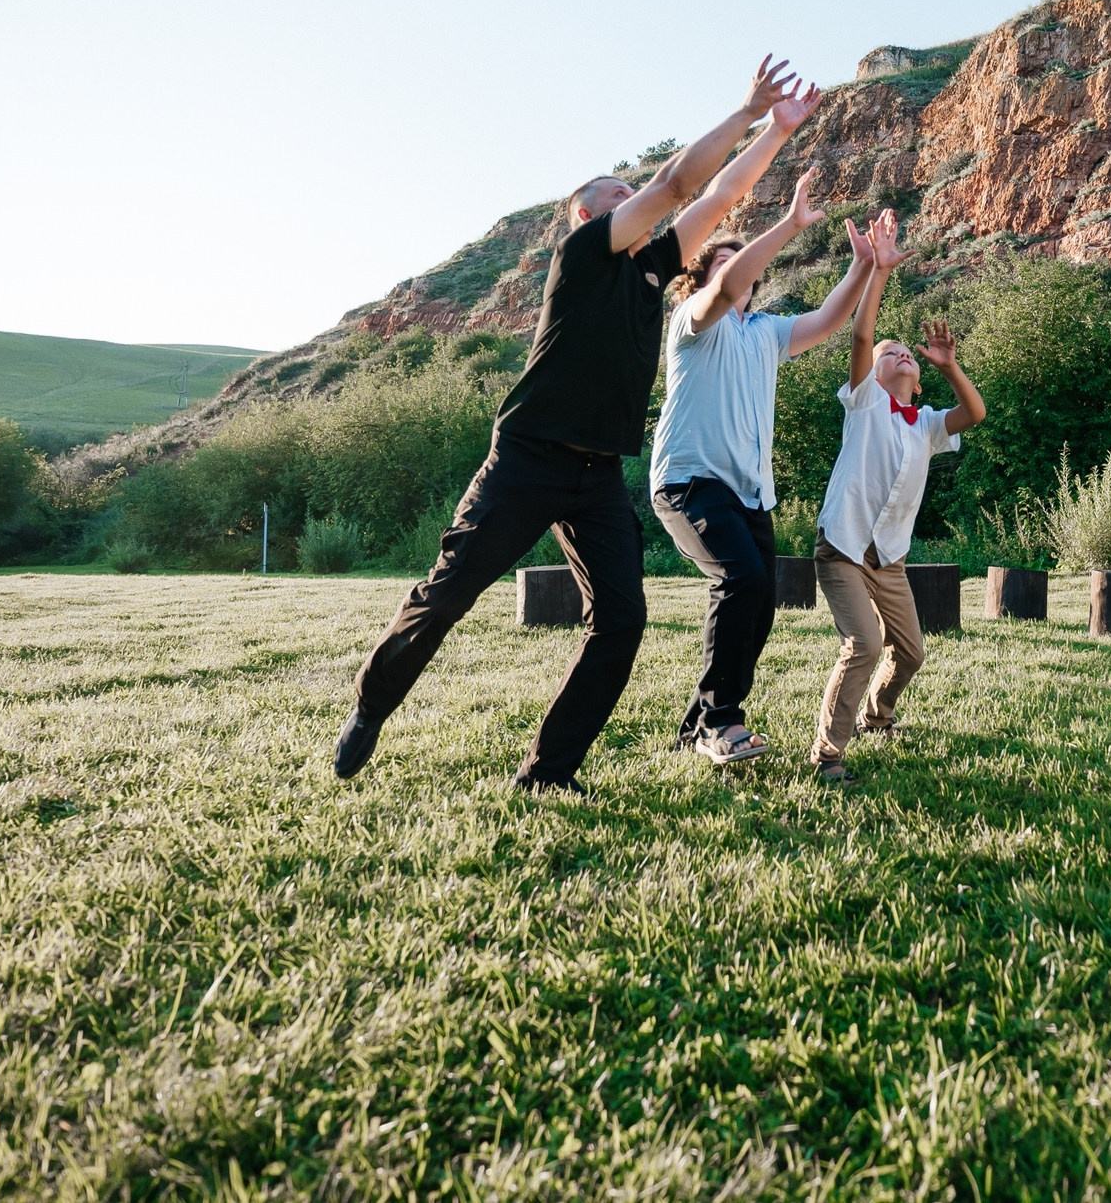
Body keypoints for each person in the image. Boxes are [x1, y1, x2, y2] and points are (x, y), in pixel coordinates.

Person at [331, 58, 822, 793]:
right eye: (618, 192)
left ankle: (547, 773)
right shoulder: (582, 253)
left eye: (632, 190)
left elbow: (721, 193)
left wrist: (776, 133)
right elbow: (678, 185)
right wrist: (747, 109)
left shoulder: (655, 266)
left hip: (597, 476)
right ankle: (373, 702)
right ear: (593, 216)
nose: (636, 196)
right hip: (526, 459)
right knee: (450, 592)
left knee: (621, 620)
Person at [649, 169, 879, 765]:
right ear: (703, 276)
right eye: (727, 261)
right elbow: (726, 287)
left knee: (759, 601)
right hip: (689, 480)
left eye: (746, 263)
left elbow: (828, 321)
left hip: (751, 494)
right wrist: (789, 225)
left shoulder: (765, 332)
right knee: (741, 581)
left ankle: (697, 725)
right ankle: (722, 720)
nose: (741, 272)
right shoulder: (694, 324)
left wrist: (865, 266)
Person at [808, 214, 986, 785]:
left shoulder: (927, 424)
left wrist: (952, 365)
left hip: (889, 559)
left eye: (908, 352)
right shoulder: (864, 403)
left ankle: (877, 716)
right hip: (841, 549)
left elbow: (975, 414)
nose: (900, 354)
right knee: (864, 644)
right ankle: (828, 753)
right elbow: (861, 336)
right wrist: (879, 271)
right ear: (876, 371)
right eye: (892, 352)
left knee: (909, 652)